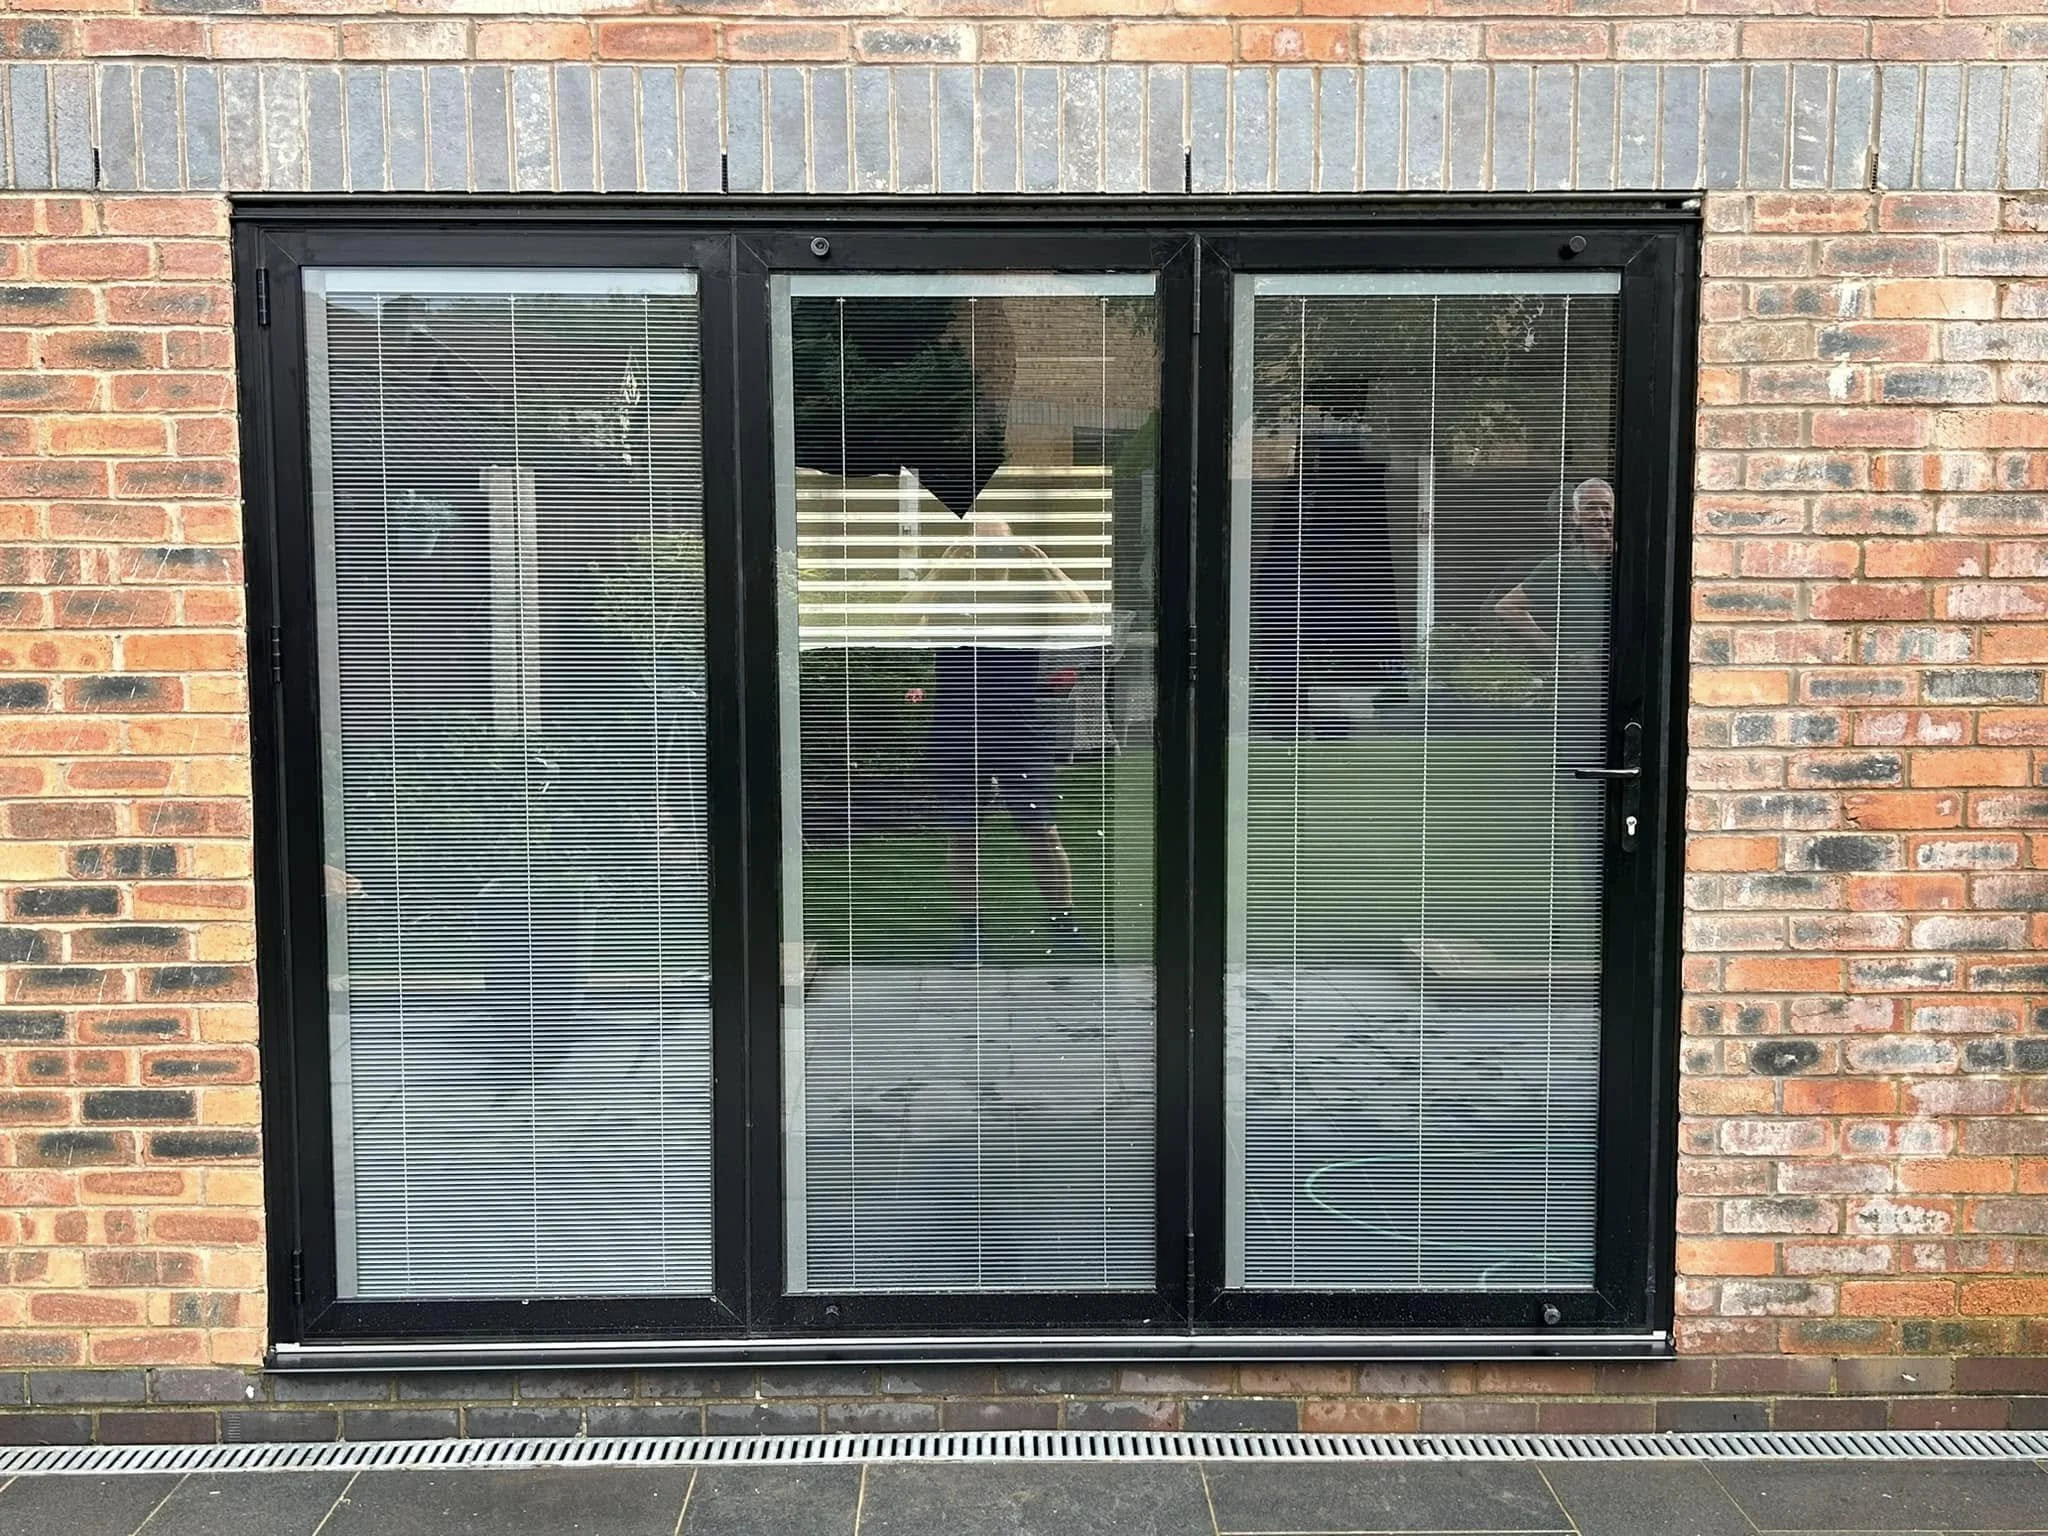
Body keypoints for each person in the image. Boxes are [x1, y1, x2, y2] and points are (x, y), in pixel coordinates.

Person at [902, 516, 1098, 964]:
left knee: (1042, 833)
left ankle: (1064, 925)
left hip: (1019, 732)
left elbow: (1082, 612)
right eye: (977, 547)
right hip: (957, 730)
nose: (987, 556)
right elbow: (903, 615)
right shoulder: (950, 599)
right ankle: (972, 932)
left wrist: (1043, 563)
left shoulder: (1028, 599)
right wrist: (945, 566)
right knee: (963, 835)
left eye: (998, 547)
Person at [1494, 476, 1615, 677]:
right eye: (1591, 508)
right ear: (1576, 517)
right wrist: (1555, 652)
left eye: (1606, 507)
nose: (1600, 515)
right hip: (1575, 687)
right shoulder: (1560, 566)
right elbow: (1506, 607)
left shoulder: (1633, 566)